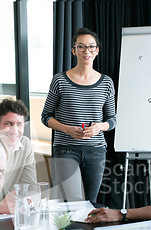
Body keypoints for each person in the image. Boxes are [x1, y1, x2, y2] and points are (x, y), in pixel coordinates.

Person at [41, 27, 116, 202]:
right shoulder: (59, 80)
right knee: (74, 201)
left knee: (90, 203)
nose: (86, 51)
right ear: (74, 50)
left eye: (91, 47)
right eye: (81, 47)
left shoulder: (106, 82)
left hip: (96, 151)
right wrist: (67, 129)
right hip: (66, 149)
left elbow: (112, 119)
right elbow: (46, 116)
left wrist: (99, 127)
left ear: (97, 50)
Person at [0, 98, 38, 214]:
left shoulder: (25, 144)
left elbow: (32, 188)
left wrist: (24, 201)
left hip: (9, 216)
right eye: (8, 124)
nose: (15, 131)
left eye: (19, 124)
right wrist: (0, 207)